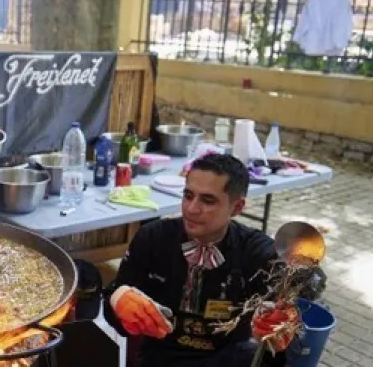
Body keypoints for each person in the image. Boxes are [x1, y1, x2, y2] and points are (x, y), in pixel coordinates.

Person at [103, 154, 294, 367]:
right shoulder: (153, 237)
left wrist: (279, 326)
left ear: (237, 207)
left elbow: (300, 288)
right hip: (158, 356)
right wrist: (117, 300)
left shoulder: (255, 250)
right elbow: (115, 306)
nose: (191, 209)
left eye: (208, 200)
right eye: (188, 195)